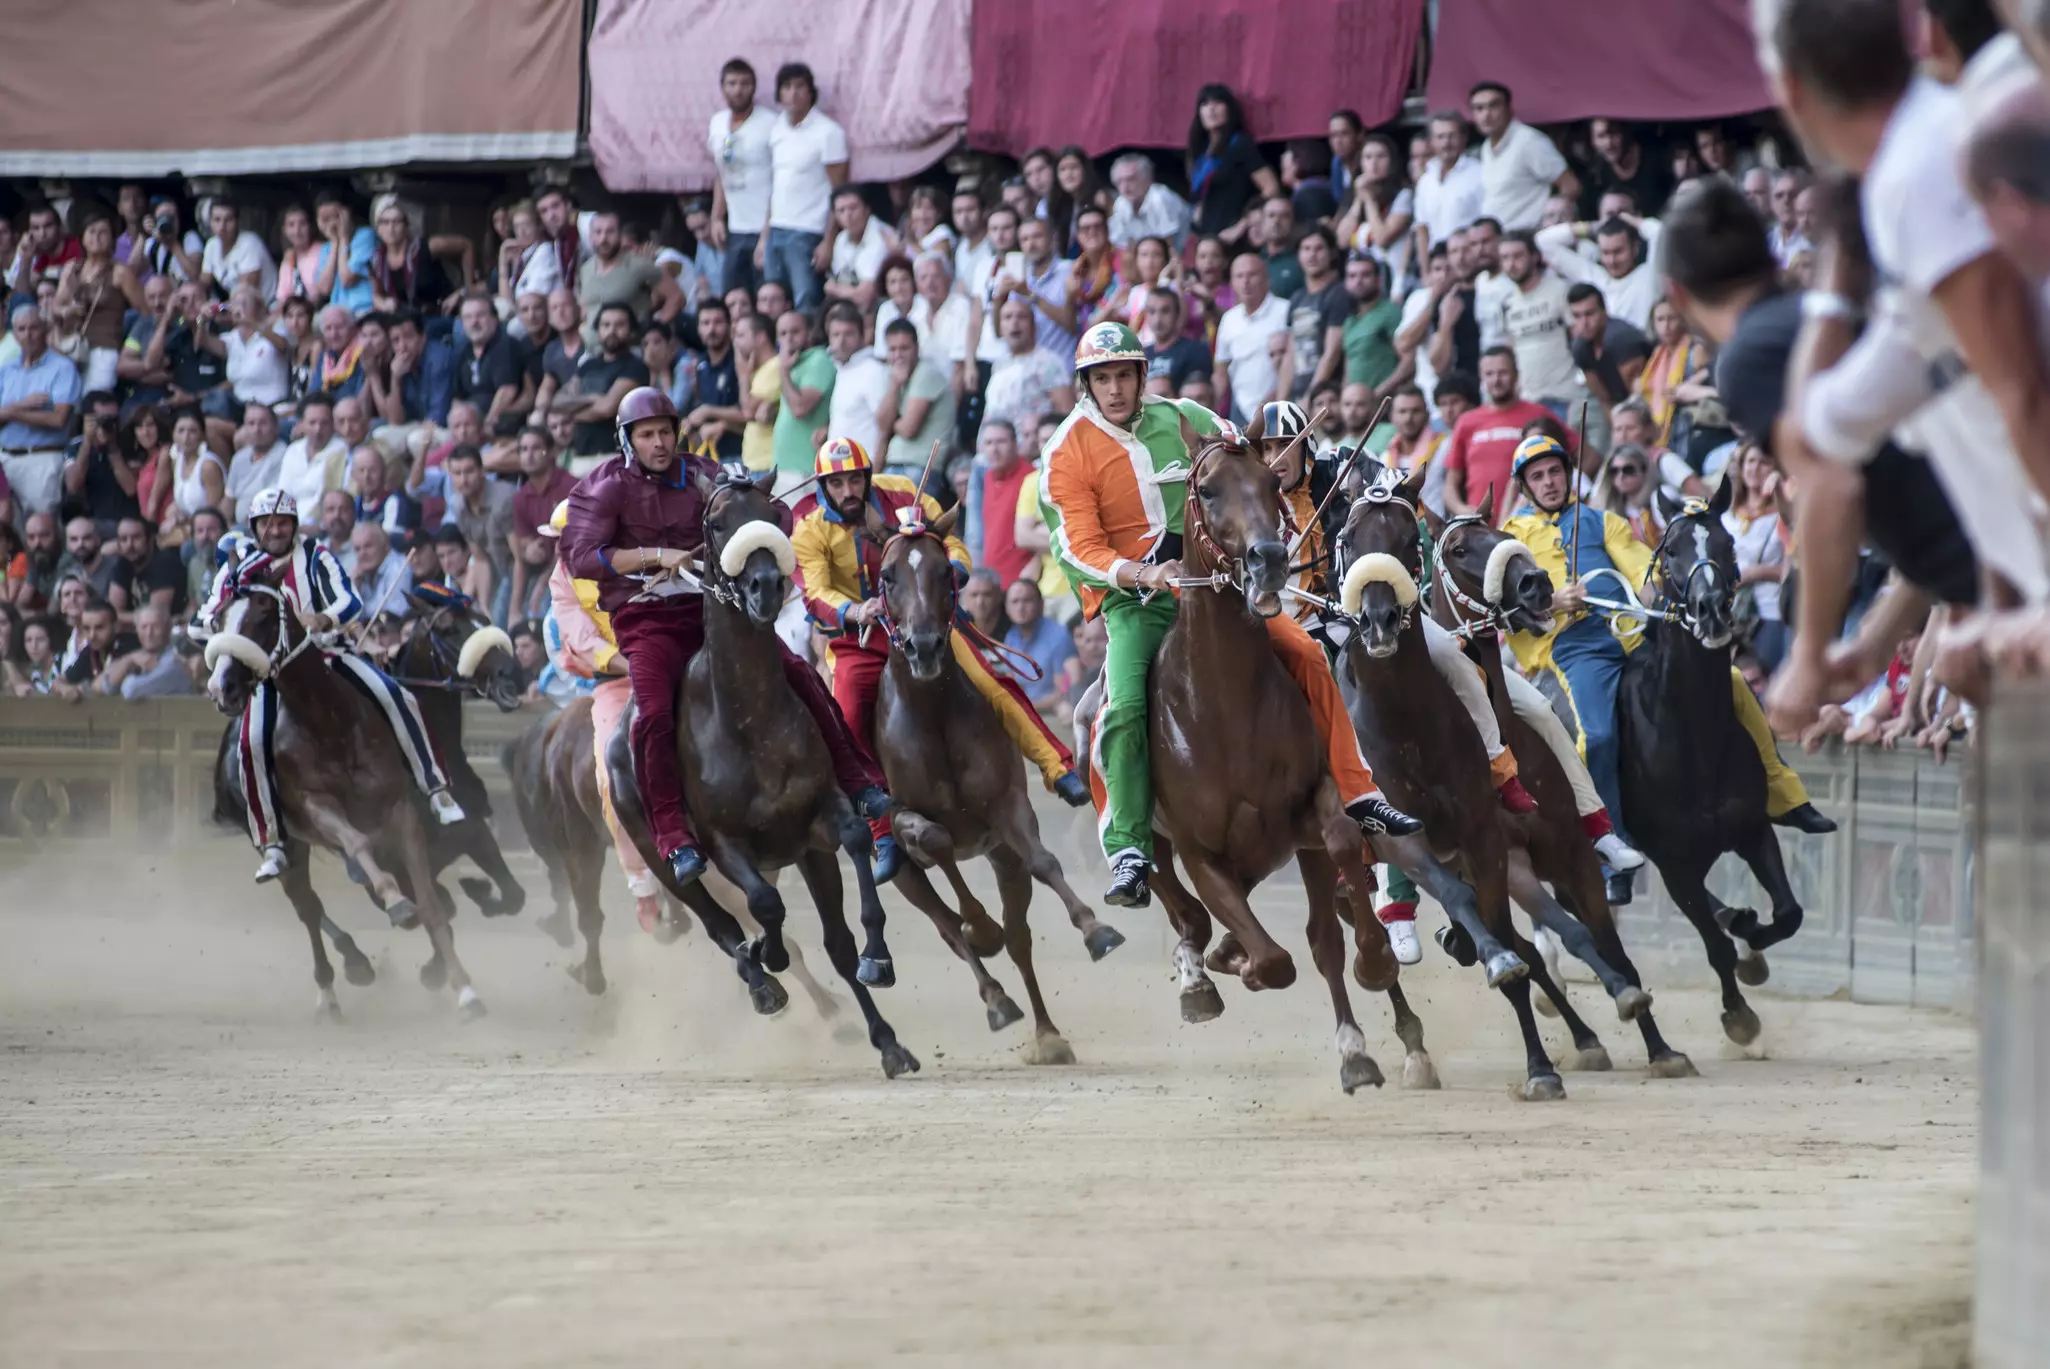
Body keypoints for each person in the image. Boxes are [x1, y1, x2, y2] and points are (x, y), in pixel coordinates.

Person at [1039, 321, 1419, 905]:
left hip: (1215, 583)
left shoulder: (1190, 417)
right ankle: (1130, 848)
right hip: (1137, 601)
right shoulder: (1065, 452)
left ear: (1142, 376)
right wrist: (1144, 573)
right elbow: (1077, 547)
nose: (1115, 389)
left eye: (1123, 375)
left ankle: (1358, 792)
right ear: (1087, 386)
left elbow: (1243, 469)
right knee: (1122, 706)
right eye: (1102, 379)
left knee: (1310, 654)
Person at [559, 387, 892, 885]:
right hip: (646, 621)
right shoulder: (604, 487)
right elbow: (582, 556)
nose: (658, 443)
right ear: (628, 441)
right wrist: (656, 557)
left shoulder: (703, 474)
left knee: (799, 671)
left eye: (665, 432)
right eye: (646, 435)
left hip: (711, 610)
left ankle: (856, 782)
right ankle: (673, 836)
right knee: (652, 712)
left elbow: (768, 515)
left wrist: (747, 512)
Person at [1500, 436, 1831, 851]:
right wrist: (1554, 603)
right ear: (1525, 487)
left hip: (1631, 631)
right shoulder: (1510, 541)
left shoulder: (1604, 521)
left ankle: (1786, 797)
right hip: (1573, 647)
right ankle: (1608, 842)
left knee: (1731, 679)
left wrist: (1649, 591)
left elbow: (1641, 568)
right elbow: (1507, 606)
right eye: (1538, 476)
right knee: (1597, 738)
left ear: (1568, 473)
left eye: (1555, 472)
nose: (1549, 482)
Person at [792, 437, 1085, 874]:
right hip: (860, 639)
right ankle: (882, 832)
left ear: (867, 477)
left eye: (855, 479)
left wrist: (955, 571)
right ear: (823, 486)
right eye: (837, 483)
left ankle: (1058, 769)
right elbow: (814, 592)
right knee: (849, 714)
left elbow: (953, 544)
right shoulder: (810, 529)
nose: (848, 491)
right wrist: (856, 609)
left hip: (930, 622)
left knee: (992, 683)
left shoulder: (906, 494)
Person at [200, 487, 465, 882]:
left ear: (293, 525)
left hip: (327, 655)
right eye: (267, 524)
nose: (275, 530)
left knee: (397, 695)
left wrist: (322, 619)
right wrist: (218, 634)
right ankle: (272, 841)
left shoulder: (318, 556)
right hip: (266, 670)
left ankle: (436, 789)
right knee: (250, 743)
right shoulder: (240, 571)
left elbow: (350, 603)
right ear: (255, 528)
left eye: (283, 522)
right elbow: (210, 613)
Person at [756, 62, 850, 311]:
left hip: (808, 232)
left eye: (800, 86)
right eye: (787, 87)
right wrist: (764, 237)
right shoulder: (777, 129)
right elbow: (776, 188)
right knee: (772, 302)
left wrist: (828, 242)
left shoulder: (828, 132)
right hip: (777, 229)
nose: (793, 93)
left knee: (806, 301)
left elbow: (839, 192)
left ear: (811, 92)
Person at [1441, 347, 1568, 521]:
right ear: (1481, 377)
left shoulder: (1538, 414)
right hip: (1480, 529)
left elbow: (1581, 456)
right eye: (1489, 374)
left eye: (1503, 373)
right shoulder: (1466, 422)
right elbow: (1450, 485)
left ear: (1516, 374)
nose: (1496, 380)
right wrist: (1462, 510)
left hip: (1529, 527)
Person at [0, 304, 81, 518]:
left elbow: (58, 419)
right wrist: (23, 405)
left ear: (44, 328)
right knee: (6, 536)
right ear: (14, 334)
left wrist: (9, 413)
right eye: (21, 329)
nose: (28, 335)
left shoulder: (62, 368)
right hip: (5, 458)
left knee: (43, 531)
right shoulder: (6, 369)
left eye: (33, 328)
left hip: (42, 459)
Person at [1470, 82, 1577, 231]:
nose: (1486, 114)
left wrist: (1551, 224)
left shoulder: (1529, 141)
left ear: (1509, 109)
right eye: (1479, 108)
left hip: (1527, 241)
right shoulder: (1486, 148)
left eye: (1493, 106)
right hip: (1500, 242)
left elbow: (1571, 185)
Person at [1724, 444, 1790, 673]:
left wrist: (1756, 573)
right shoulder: (1727, 514)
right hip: (1730, 614)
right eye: (1750, 461)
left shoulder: (1786, 514)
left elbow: (1797, 569)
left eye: (1764, 462)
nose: (1755, 468)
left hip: (1769, 614)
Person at [1186, 84, 1280, 241]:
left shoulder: (1240, 144)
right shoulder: (1200, 153)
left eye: (1217, 103)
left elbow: (1271, 188)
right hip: (1206, 238)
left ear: (1229, 109)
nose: (1211, 109)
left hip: (1232, 237)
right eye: (1205, 104)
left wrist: (1242, 225)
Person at [1212, 254, 1291, 424]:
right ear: (1232, 282)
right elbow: (1221, 371)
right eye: (1239, 276)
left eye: (1252, 275)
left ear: (1267, 279)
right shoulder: (1228, 319)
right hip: (1240, 409)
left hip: (1280, 406)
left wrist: (1282, 393)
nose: (1245, 282)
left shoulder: (1285, 310)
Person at [771, 308, 836, 487]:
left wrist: (783, 370)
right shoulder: (793, 363)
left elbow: (800, 408)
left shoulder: (819, 360)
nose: (789, 338)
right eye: (783, 333)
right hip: (784, 467)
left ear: (809, 332)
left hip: (804, 470)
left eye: (795, 331)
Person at [1003, 578, 1078, 709]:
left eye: (1027, 601)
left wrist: (1027, 708)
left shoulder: (1058, 636)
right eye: (1015, 601)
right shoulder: (1011, 636)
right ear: (1007, 608)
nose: (1020, 607)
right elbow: (1012, 684)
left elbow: (1062, 693)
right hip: (1024, 713)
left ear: (1041, 604)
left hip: (1052, 714)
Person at [1108, 153, 1192, 252]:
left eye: (1131, 179)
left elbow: (1168, 247)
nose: (1125, 187)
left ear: (1147, 179)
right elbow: (1122, 248)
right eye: (1120, 181)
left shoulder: (1160, 198)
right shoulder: (1120, 204)